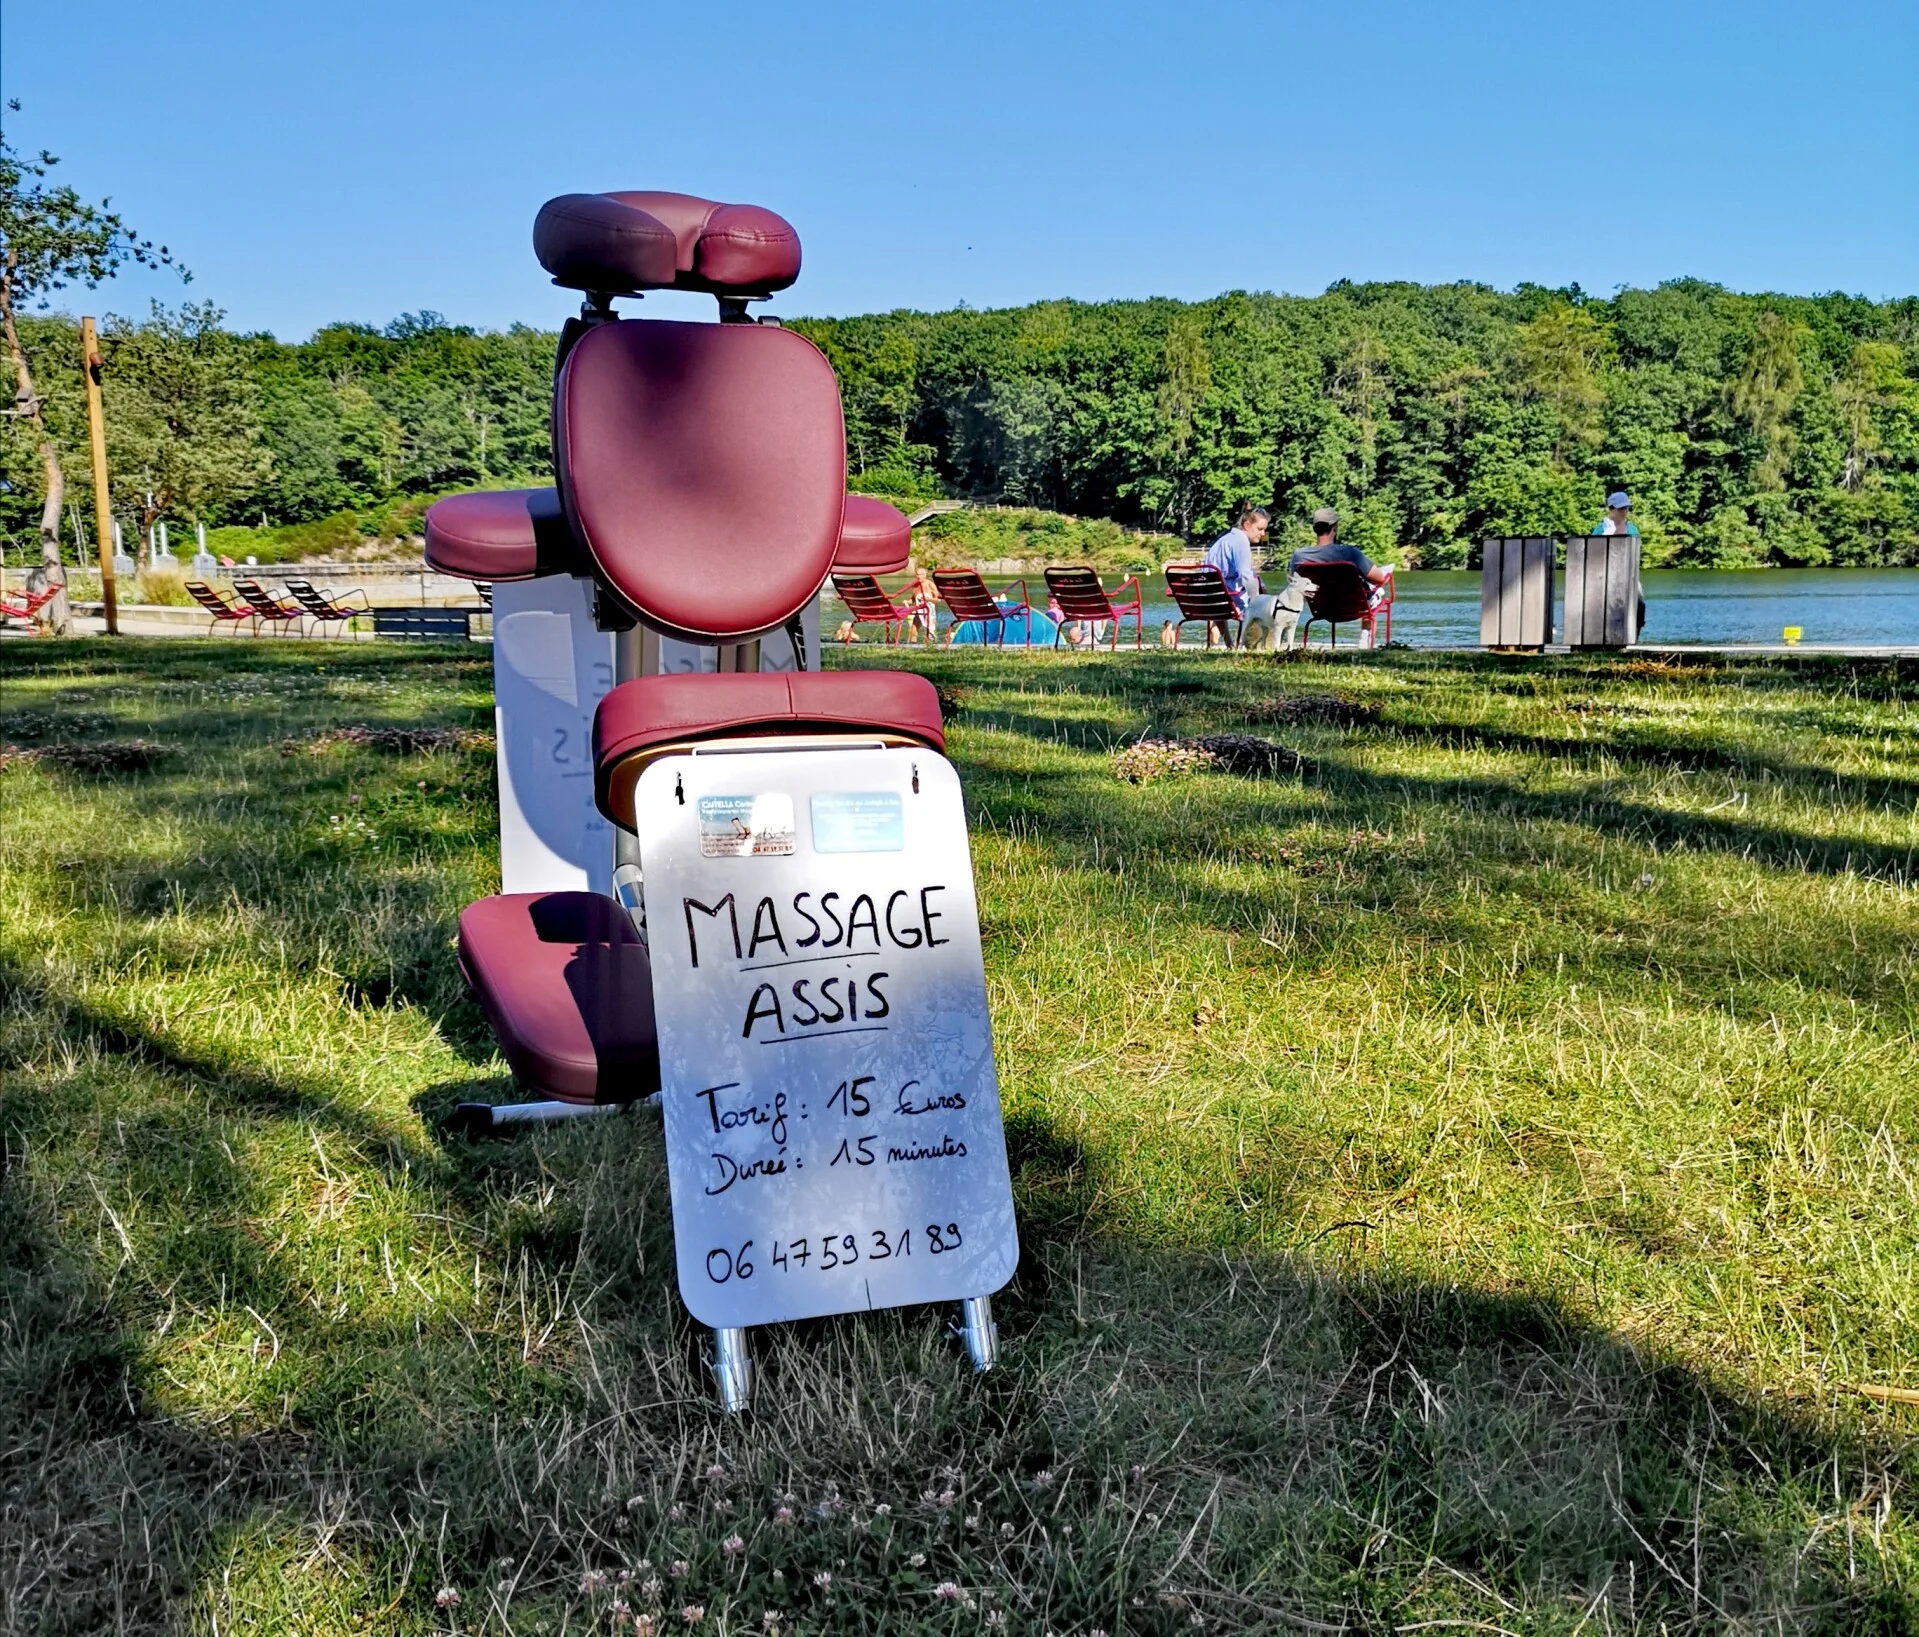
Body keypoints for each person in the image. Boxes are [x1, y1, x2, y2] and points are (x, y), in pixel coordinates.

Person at [1202, 504, 1269, 644]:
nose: (1263, 534)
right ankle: (1258, 646)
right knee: (1265, 608)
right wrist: (1257, 599)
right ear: (1247, 524)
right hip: (1225, 597)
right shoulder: (1241, 541)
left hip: (1210, 597)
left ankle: (1230, 645)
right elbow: (1246, 576)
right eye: (1260, 529)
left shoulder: (1223, 540)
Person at [1591, 491, 1648, 632]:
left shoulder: (1632, 529)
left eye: (1626, 508)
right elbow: (1593, 554)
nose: (1624, 512)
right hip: (1604, 575)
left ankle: (1636, 630)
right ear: (1611, 509)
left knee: (1639, 600)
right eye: (1621, 508)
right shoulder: (1600, 530)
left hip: (1628, 574)